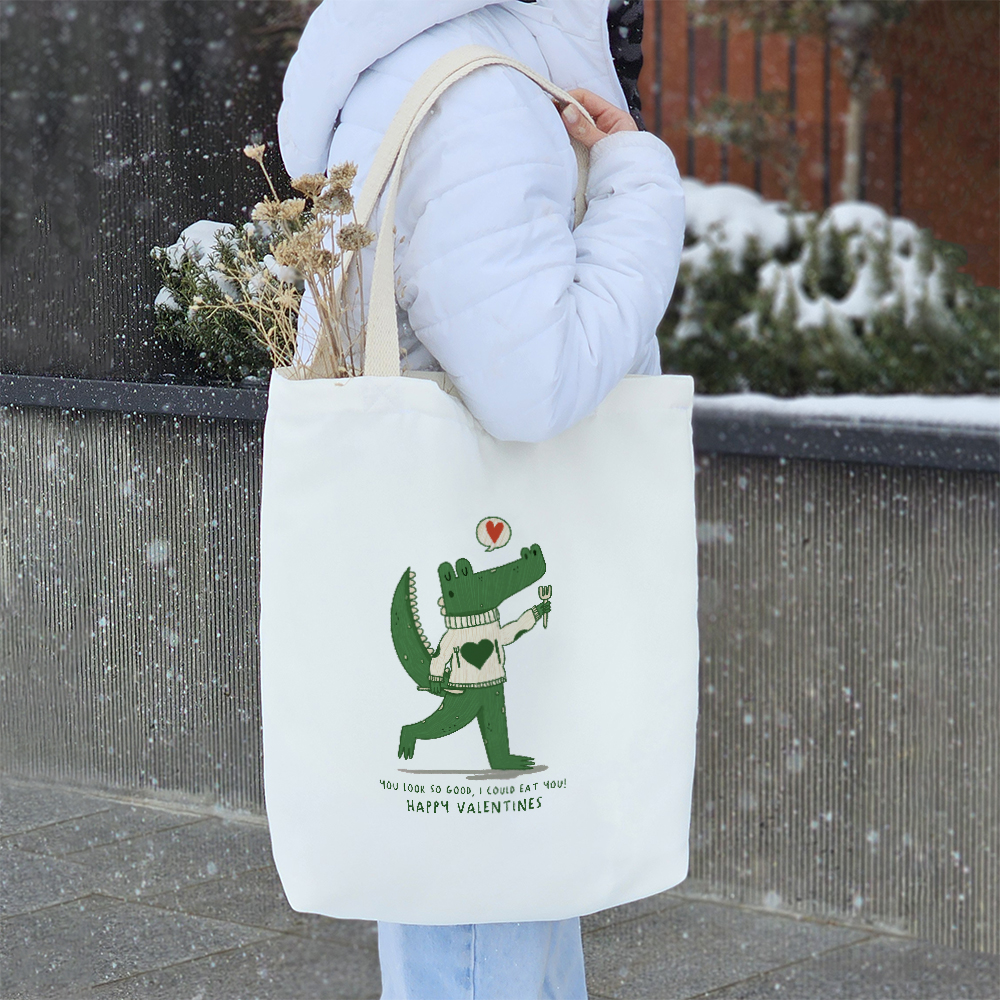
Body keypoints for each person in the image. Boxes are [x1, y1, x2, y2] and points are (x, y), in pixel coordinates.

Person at [278, 1, 684, 996]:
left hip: (444, 532)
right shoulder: (479, 95)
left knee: (487, 895)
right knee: (482, 914)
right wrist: (637, 185)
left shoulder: (433, 60)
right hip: (486, 523)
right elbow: (532, 384)